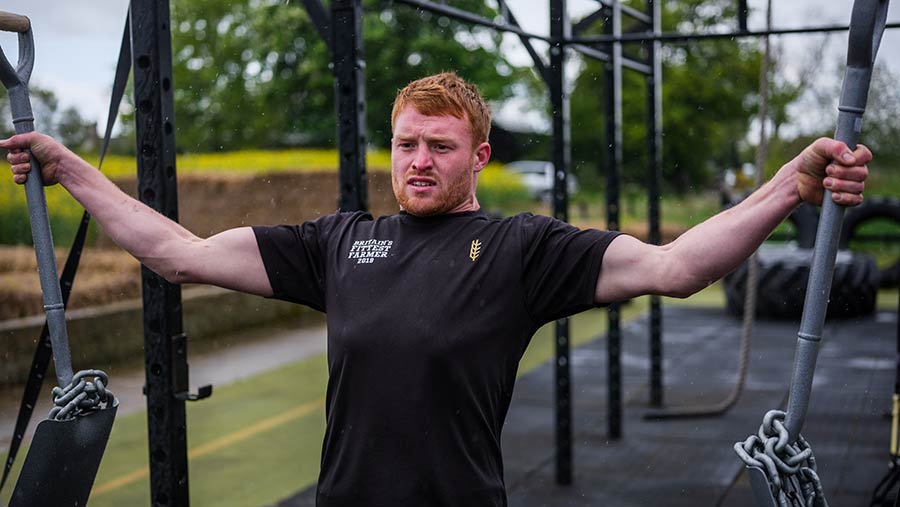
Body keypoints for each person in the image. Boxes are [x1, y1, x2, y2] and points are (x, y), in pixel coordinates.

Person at [3, 72, 870, 506]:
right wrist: (68, 163)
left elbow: (679, 267)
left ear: (479, 156)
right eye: (407, 143)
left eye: (441, 146)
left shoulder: (521, 249)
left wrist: (788, 187)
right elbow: (178, 253)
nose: (420, 161)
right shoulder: (339, 242)